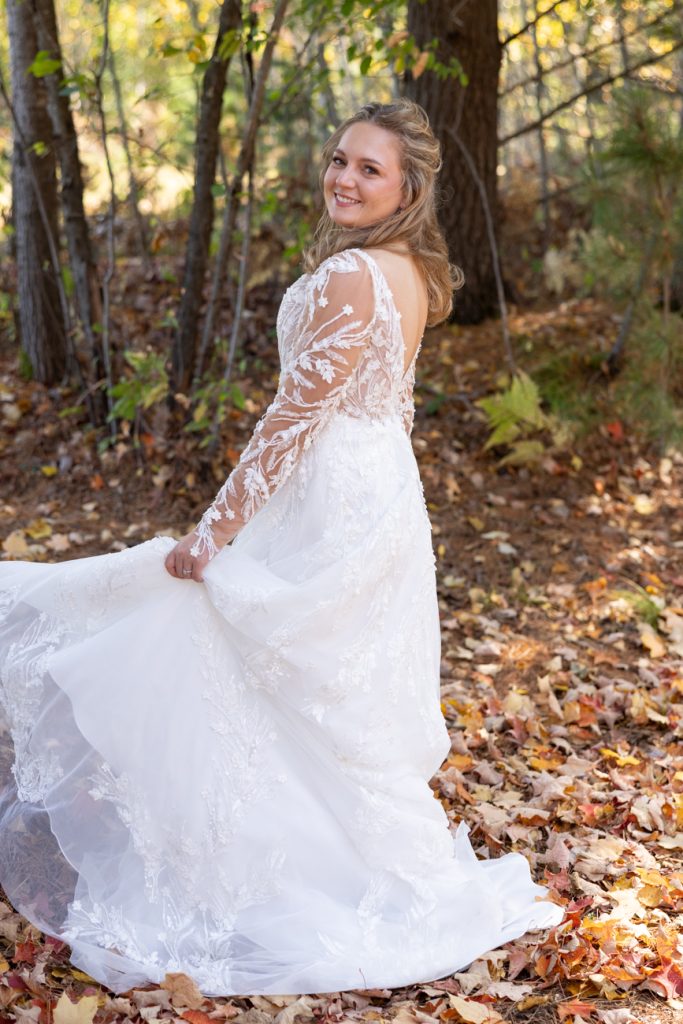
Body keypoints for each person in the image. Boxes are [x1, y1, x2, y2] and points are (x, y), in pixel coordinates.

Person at [0, 99, 563, 998]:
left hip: (332, 494)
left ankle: (263, 874)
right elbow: (379, 404)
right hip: (377, 488)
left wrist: (214, 530)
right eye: (339, 159)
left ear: (407, 189)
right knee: (306, 684)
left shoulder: (353, 276)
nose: (343, 177)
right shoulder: (408, 270)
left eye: (369, 169)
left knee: (225, 630)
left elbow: (290, 418)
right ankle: (307, 862)